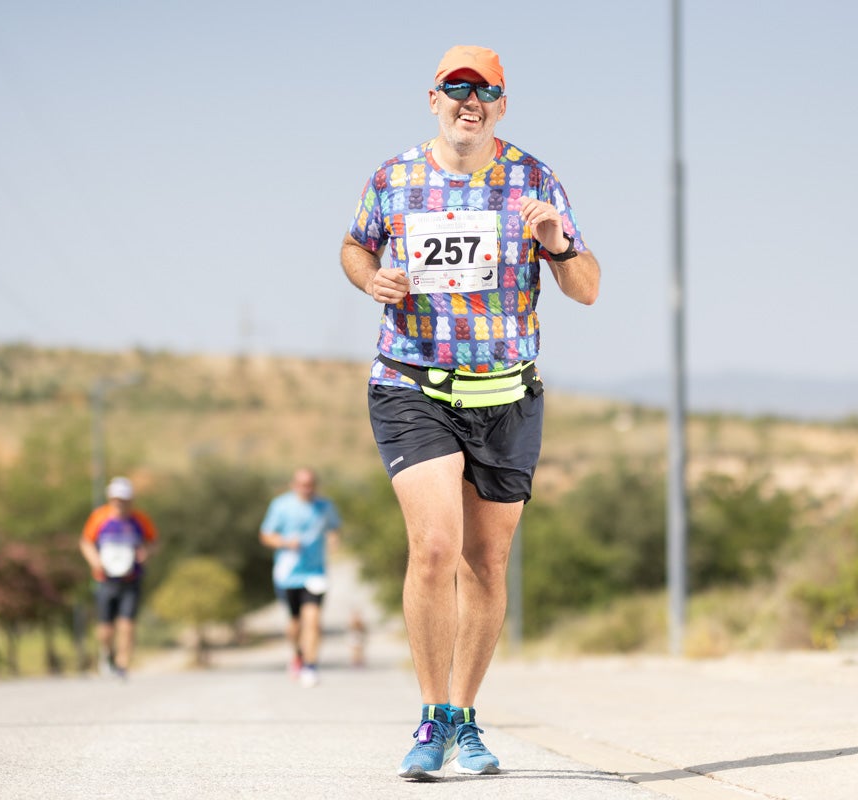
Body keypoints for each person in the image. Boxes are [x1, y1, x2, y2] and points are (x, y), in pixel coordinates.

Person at [339, 45, 599, 780]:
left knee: (485, 564)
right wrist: (371, 279)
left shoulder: (534, 179)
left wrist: (558, 244)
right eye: (457, 88)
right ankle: (431, 716)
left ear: (502, 106)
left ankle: (464, 715)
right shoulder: (393, 179)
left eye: (485, 92)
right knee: (434, 547)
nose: (470, 102)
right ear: (434, 99)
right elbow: (354, 247)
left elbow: (587, 288)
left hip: (506, 395)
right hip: (412, 384)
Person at [259, 467, 341, 688]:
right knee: (294, 623)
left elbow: (334, 528)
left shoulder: (325, 506)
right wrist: (285, 543)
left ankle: (310, 666)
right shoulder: (281, 506)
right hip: (287, 574)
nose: (307, 488)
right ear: (294, 485)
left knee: (313, 620)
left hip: (315, 573)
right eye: (302, 484)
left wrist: (333, 540)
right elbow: (266, 535)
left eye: (310, 484)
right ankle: (297, 654)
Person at [79, 476, 158, 679]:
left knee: (127, 624)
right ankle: (109, 654)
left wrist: (145, 553)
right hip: (105, 579)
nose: (120, 503)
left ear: (130, 500)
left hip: (131, 579)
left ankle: (123, 663)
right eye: (116, 499)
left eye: (123, 499)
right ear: (110, 498)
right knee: (105, 629)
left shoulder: (140, 520)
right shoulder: (99, 518)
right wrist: (95, 561)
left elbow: (153, 542)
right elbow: (86, 542)